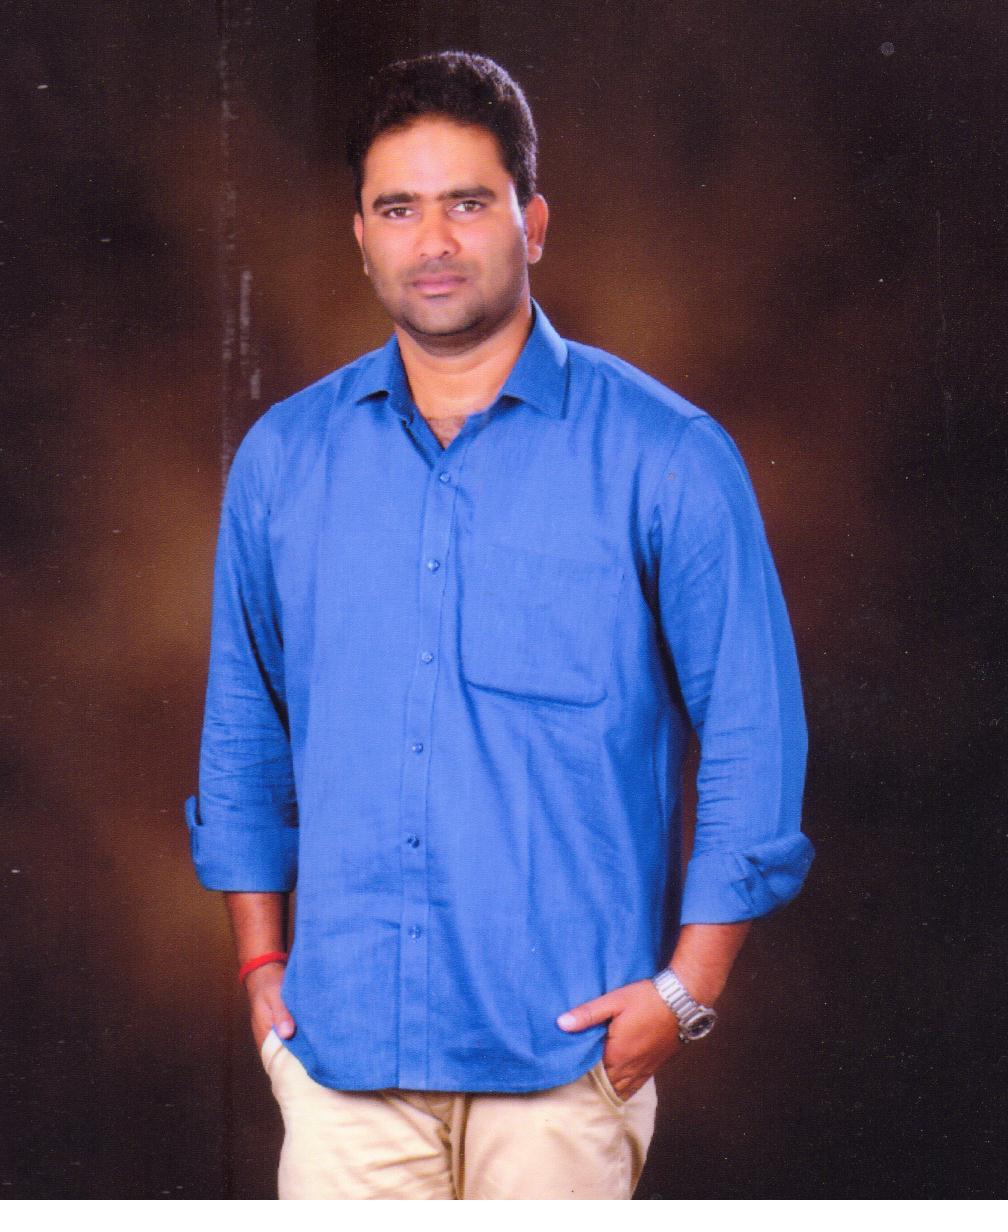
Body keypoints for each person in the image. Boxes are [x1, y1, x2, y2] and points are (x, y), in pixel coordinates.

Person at [185, 50, 813, 1200]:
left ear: (533, 222)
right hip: (339, 1063)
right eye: (398, 209)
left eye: (467, 203)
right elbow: (243, 730)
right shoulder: (284, 460)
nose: (432, 241)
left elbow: (752, 733)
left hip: (566, 1063)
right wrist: (263, 965)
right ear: (359, 235)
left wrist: (688, 988)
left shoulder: (665, 455)